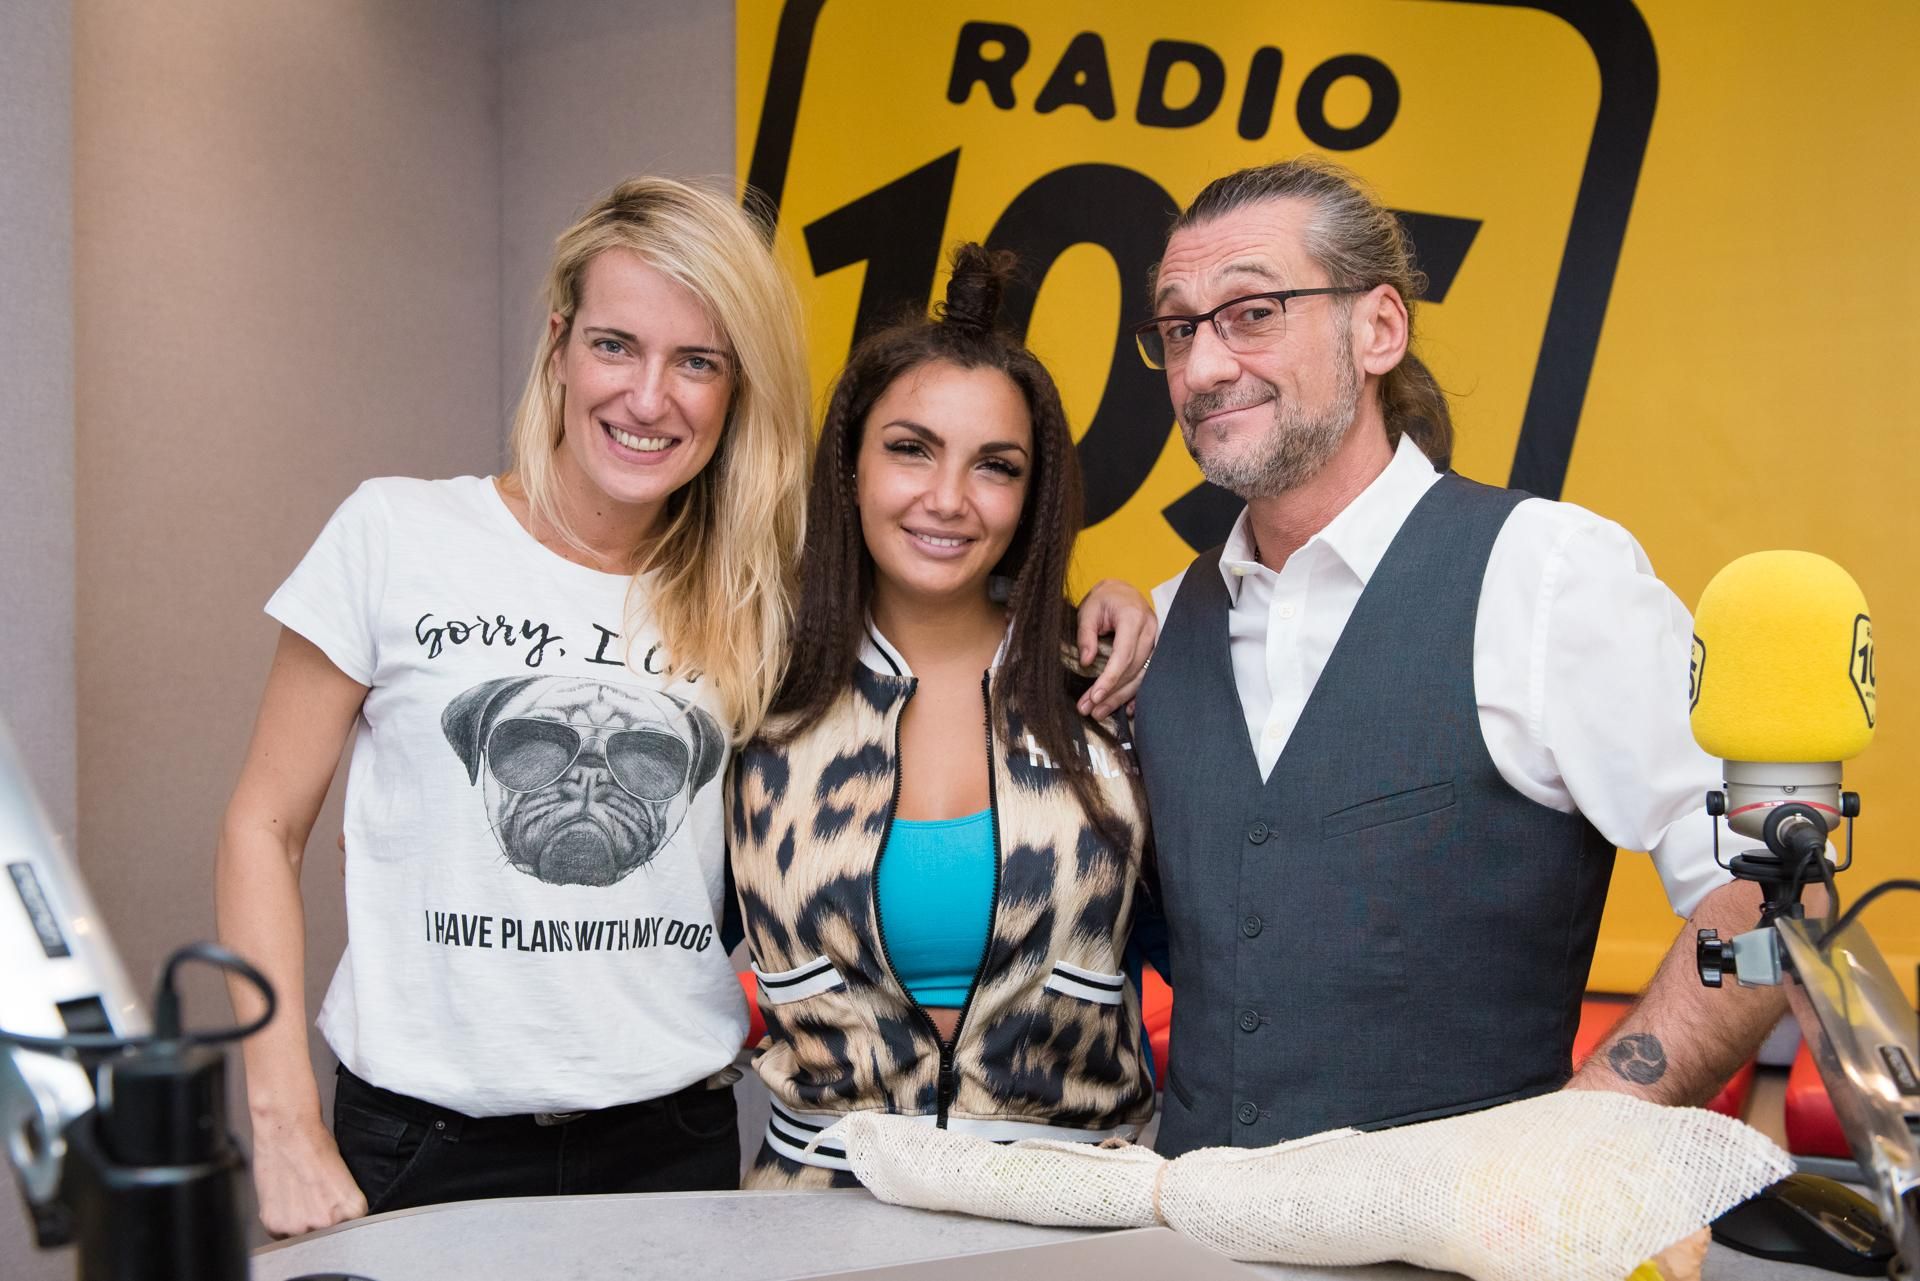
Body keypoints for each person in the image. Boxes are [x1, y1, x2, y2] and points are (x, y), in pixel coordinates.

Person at [216, 179, 1158, 1235]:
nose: (649, 397)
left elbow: (940, 577)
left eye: (698, 362)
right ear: (560, 346)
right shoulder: (397, 535)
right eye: (615, 345)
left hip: (672, 1141)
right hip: (424, 1138)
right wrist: (280, 1118)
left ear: (734, 389)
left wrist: (1109, 608)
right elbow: (263, 826)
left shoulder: (757, 598)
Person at [1128, 158, 1786, 1157]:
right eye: (1180, 329)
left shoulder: (1550, 576)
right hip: (1184, 1227)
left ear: (1379, 328)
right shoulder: (1163, 625)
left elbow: (1772, 899)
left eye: (1252, 313)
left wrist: (1577, 1141)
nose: (1205, 367)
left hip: (1465, 1237)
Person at [729, 245, 1158, 1188]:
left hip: (1072, 1218)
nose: (948, 499)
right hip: (814, 1216)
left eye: (995, 466)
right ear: (849, 465)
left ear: (1032, 497)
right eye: (910, 448)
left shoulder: (1109, 693)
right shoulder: (750, 694)